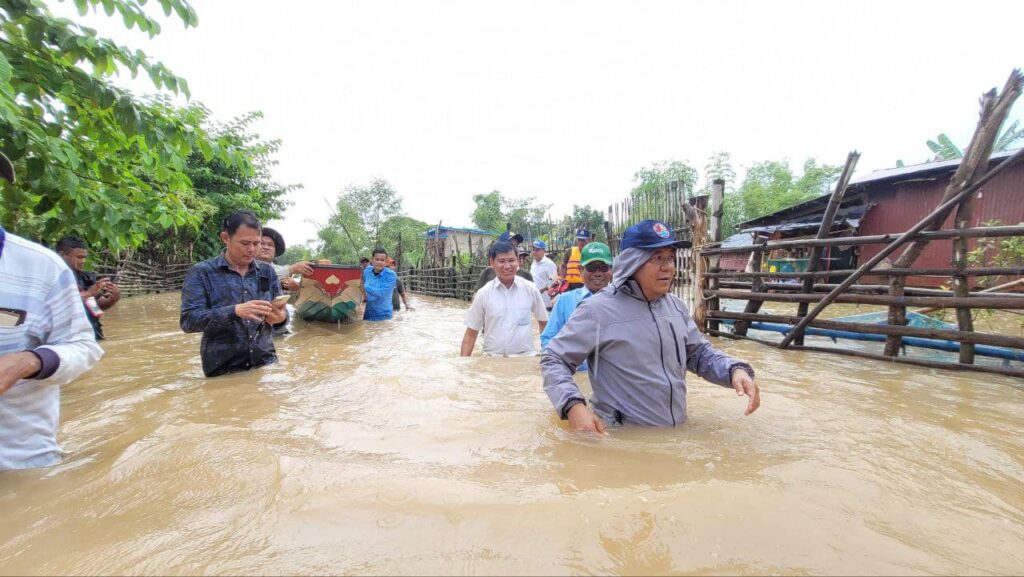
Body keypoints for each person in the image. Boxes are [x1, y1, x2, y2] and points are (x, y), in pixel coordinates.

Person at [541, 219, 759, 433]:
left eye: (671, 258)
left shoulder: (676, 307)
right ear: (632, 263)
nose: (668, 267)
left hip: (674, 436)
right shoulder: (596, 310)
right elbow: (555, 359)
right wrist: (574, 406)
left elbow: (699, 354)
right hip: (621, 442)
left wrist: (734, 370)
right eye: (657, 258)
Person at [0, 152, 103, 470]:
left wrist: (28, 362)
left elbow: (85, 339)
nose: (81, 262)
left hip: (19, 464)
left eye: (85, 257)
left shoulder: (43, 268)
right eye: (78, 256)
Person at [180, 210, 289, 377]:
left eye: (256, 243)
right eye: (245, 243)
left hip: (266, 364)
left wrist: (280, 319)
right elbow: (188, 321)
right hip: (223, 369)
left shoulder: (267, 272)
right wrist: (235, 311)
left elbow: (281, 316)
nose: (252, 249)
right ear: (225, 238)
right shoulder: (202, 273)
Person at [461, 241, 549, 357]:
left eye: (511, 260)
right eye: (501, 261)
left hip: (525, 359)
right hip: (492, 360)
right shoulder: (483, 294)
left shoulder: (531, 289)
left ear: (517, 260)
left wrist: (547, 355)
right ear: (492, 263)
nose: (507, 266)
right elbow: (471, 334)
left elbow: (544, 323)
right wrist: (463, 366)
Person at [539, 242, 613, 372]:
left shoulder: (620, 301)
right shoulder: (565, 300)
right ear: (580, 270)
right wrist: (559, 370)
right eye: (591, 267)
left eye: (603, 267)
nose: (598, 273)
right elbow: (548, 340)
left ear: (611, 270)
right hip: (576, 377)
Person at [56, 235, 122, 340]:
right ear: (62, 255)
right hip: (68, 339)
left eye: (84, 257)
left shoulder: (87, 278)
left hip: (93, 336)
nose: (83, 261)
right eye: (79, 257)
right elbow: (58, 305)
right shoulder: (52, 279)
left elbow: (96, 307)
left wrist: (113, 299)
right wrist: (88, 294)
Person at [257, 226, 313, 291]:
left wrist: (295, 288)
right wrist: (292, 269)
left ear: (275, 252)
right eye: (262, 243)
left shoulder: (280, 271)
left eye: (270, 245)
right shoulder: (246, 265)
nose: (266, 247)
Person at [362, 247, 398, 321]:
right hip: (368, 314)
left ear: (385, 261)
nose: (379, 262)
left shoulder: (391, 275)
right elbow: (362, 289)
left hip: (384, 316)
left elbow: (381, 293)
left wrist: (364, 286)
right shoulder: (367, 271)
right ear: (372, 260)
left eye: (382, 260)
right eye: (377, 259)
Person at [528, 240, 559, 310]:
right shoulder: (534, 263)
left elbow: (555, 282)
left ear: (543, 251)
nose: (534, 252)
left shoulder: (549, 264)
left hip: (546, 303)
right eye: (533, 250)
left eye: (537, 250)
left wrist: (544, 289)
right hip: (535, 301)